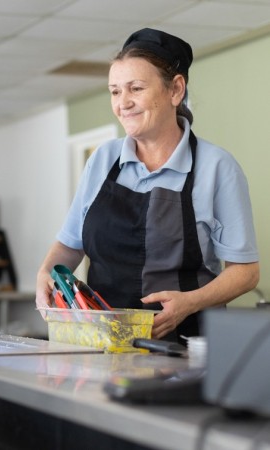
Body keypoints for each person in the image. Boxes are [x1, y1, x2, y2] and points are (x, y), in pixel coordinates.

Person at [36, 28, 259, 343]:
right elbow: (69, 245)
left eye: (135, 88)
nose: (123, 103)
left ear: (175, 90)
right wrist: (46, 273)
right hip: (102, 345)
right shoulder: (102, 160)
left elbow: (246, 272)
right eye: (114, 91)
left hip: (183, 351)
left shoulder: (216, 167)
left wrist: (190, 302)